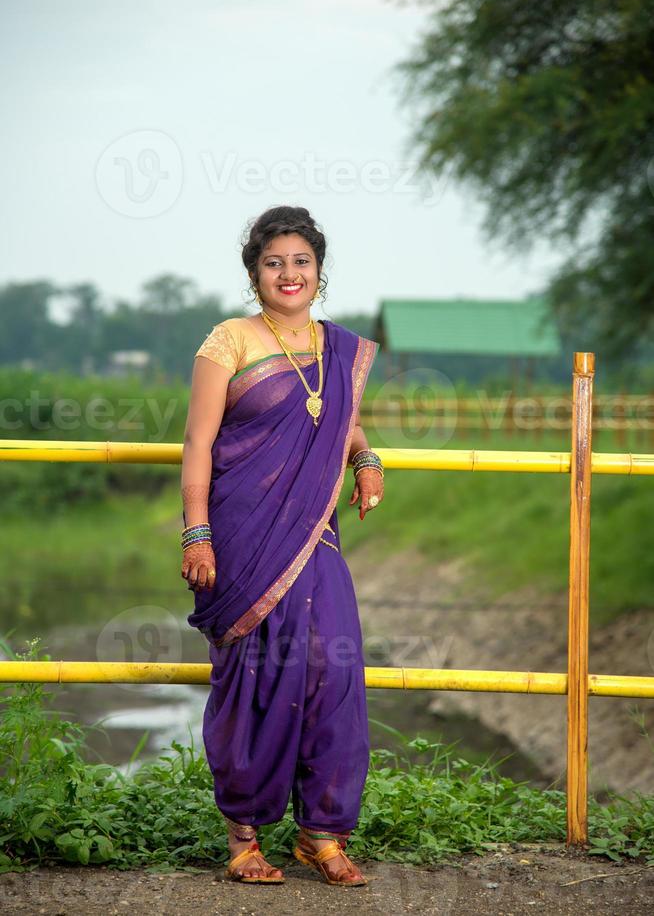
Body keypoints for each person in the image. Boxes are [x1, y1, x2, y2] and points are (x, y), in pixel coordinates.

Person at [180, 205, 383, 887]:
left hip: (313, 537)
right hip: (241, 536)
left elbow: (338, 422)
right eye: (274, 263)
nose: (288, 273)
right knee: (254, 677)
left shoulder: (337, 347)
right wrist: (198, 532)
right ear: (254, 273)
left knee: (332, 670)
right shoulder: (229, 341)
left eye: (300, 261)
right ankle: (244, 838)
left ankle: (321, 834)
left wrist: (365, 458)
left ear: (319, 271)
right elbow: (199, 444)